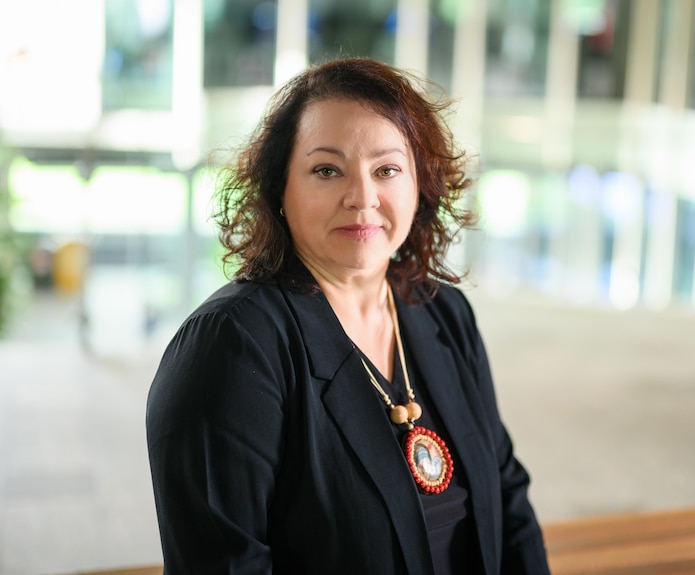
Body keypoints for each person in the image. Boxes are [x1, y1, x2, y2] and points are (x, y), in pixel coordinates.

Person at [146, 56, 550, 575]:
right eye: (327, 170)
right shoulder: (231, 346)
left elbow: (508, 494)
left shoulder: (442, 311)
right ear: (280, 191)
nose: (362, 198)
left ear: (419, 185)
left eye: (387, 169)